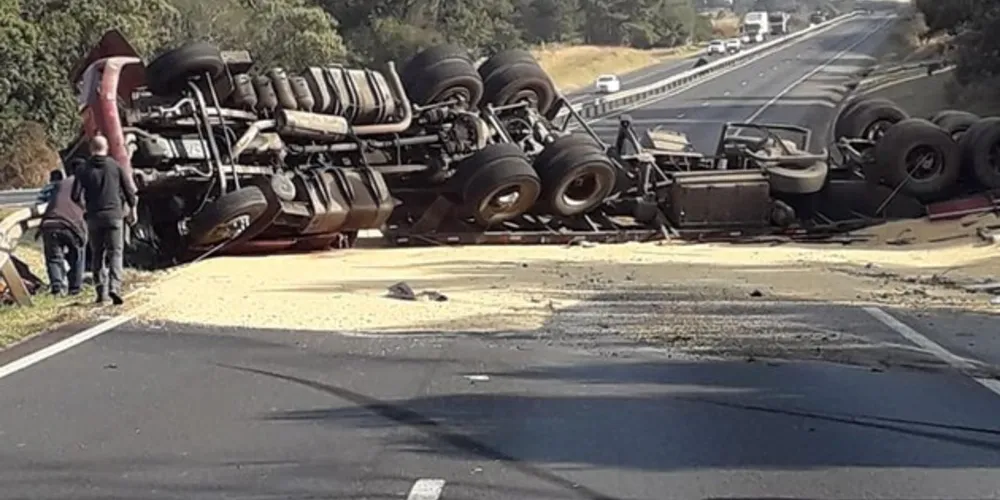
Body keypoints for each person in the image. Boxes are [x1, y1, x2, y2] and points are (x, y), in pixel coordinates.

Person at [72, 135, 137, 305]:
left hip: (94, 218)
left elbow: (75, 195)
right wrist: (132, 209)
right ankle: (115, 287)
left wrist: (84, 208)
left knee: (97, 255)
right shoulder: (114, 165)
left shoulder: (83, 169)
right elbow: (129, 191)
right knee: (115, 253)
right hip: (114, 216)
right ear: (106, 148)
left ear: (91, 149)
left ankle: (101, 292)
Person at [38, 160, 88, 296]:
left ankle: (57, 287)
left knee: (53, 257)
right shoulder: (84, 183)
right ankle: (75, 288)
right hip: (70, 225)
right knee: (78, 254)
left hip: (49, 223)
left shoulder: (60, 184)